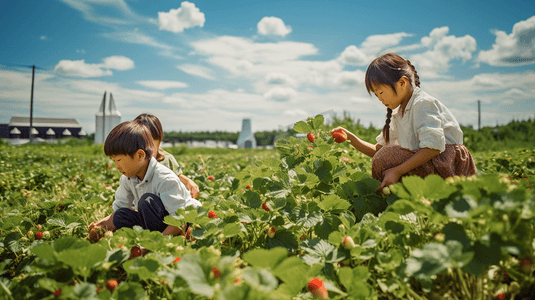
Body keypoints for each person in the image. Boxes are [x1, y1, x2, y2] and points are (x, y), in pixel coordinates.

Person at [333, 53, 476, 192]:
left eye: (381, 93)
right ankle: (393, 202)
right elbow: (378, 151)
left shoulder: (422, 103)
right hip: (430, 164)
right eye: (376, 96)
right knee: (384, 157)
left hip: (447, 166)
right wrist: (350, 138)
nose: (380, 100)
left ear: (402, 83)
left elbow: (433, 147)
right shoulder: (399, 112)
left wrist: (397, 171)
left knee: (386, 158)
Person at [90, 121, 201, 235]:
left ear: (140, 155)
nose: (117, 166)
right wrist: (100, 224)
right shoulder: (127, 178)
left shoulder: (165, 178)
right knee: (120, 215)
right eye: (114, 161)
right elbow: (121, 205)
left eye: (119, 160)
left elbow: (180, 219)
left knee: (147, 201)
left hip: (181, 221)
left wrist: (155, 242)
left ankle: (155, 237)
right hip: (155, 219)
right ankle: (146, 235)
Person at [133, 113, 200, 199]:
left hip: (164, 203)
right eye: (142, 147)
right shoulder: (132, 161)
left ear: (159, 140)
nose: (146, 152)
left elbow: (178, 176)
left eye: (151, 147)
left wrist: (189, 182)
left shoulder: (167, 159)